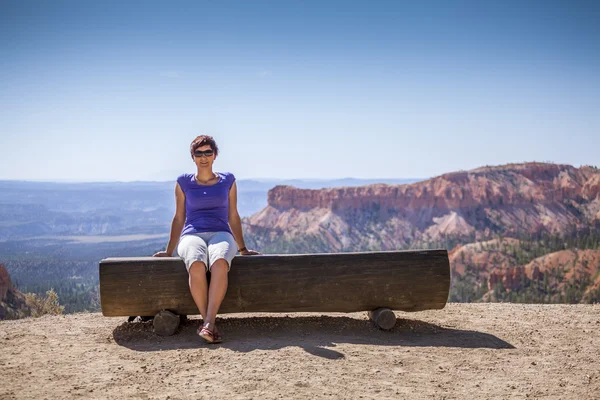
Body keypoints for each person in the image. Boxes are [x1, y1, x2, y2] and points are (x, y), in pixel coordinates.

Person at [153, 135, 260, 343]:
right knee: (196, 262)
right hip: (191, 234)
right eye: (199, 153)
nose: (203, 157)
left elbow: (233, 216)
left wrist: (243, 248)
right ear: (192, 157)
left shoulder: (228, 180)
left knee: (220, 261)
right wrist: (168, 251)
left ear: (215, 155)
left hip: (221, 232)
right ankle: (208, 322)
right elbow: (179, 218)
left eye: (208, 152)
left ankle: (208, 324)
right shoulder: (183, 182)